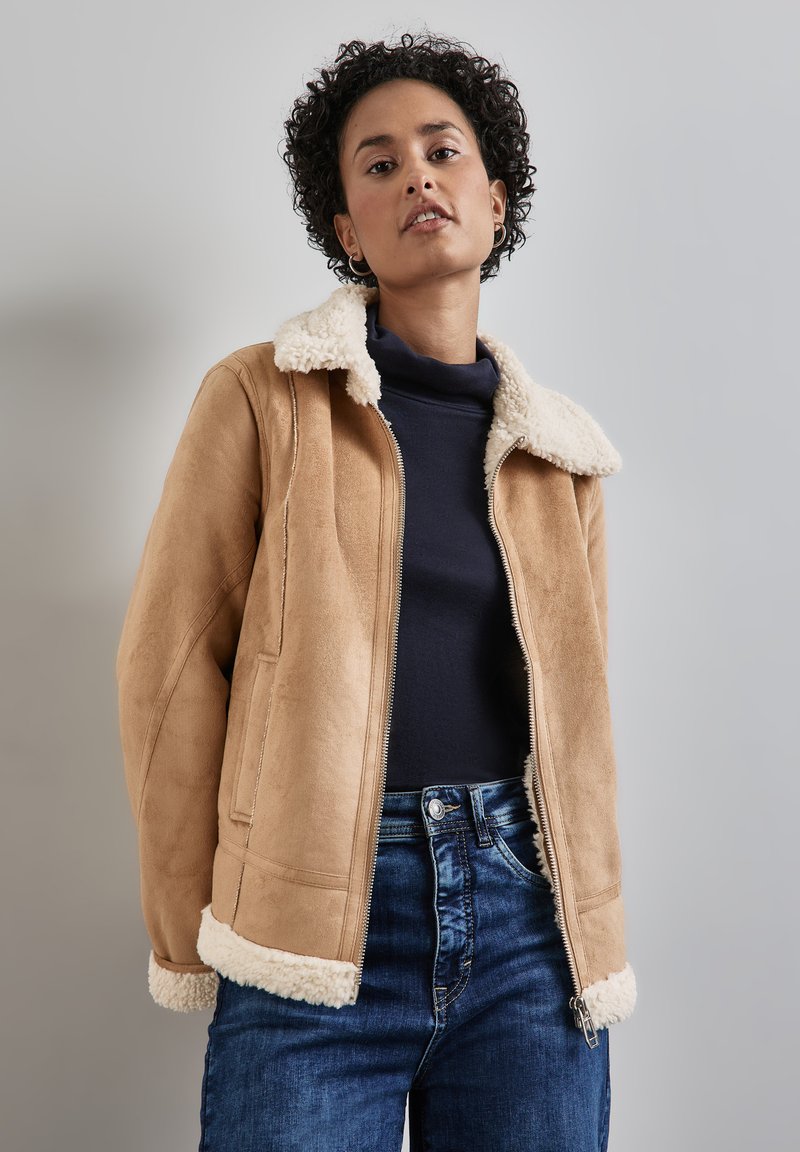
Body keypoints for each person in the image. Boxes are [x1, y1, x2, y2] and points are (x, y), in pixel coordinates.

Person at [115, 31, 637, 1152]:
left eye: (443, 153)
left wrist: (592, 928)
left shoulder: (561, 456)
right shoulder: (262, 399)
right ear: (347, 228)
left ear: (495, 201)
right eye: (381, 164)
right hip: (308, 923)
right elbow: (169, 670)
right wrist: (196, 929)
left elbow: (578, 728)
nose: (417, 179)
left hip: (528, 927)